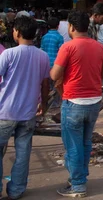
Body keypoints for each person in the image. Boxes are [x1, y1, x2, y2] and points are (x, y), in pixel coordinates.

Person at [50, 10, 103, 198]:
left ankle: (77, 185)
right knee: (84, 143)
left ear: (71, 27)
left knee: (74, 146)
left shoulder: (68, 47)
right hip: (93, 103)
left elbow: (54, 75)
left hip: (74, 102)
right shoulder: (99, 47)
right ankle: (80, 179)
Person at [0, 16, 51, 200]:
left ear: (18, 33)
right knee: (23, 152)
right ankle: (16, 191)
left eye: (14, 30)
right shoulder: (42, 56)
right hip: (28, 113)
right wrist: (43, 105)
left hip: (6, 112)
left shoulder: (8, 54)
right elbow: (46, 85)